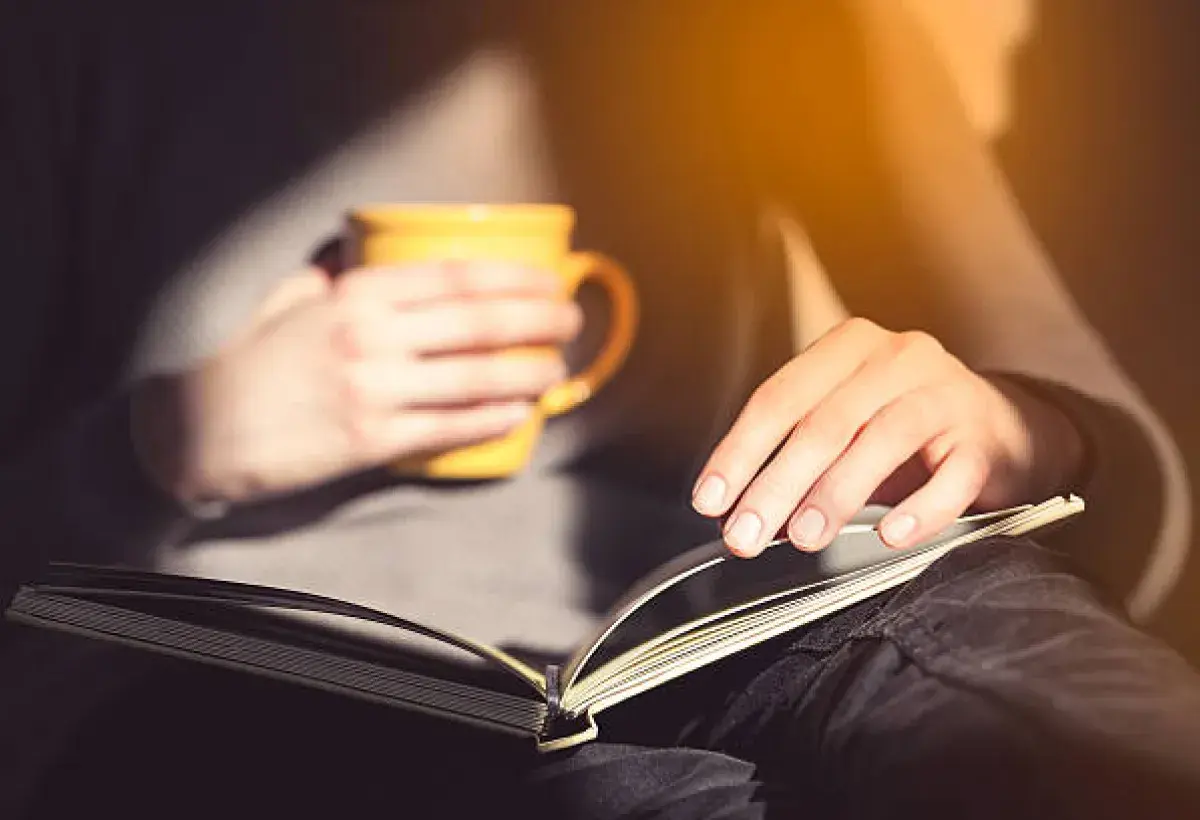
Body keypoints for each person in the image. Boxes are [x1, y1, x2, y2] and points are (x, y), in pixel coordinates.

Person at [0, 1, 1198, 818]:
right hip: (235, 661)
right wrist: (166, 442)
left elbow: (1090, 420)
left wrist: (1019, 423)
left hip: (734, 588)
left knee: (1082, 719)